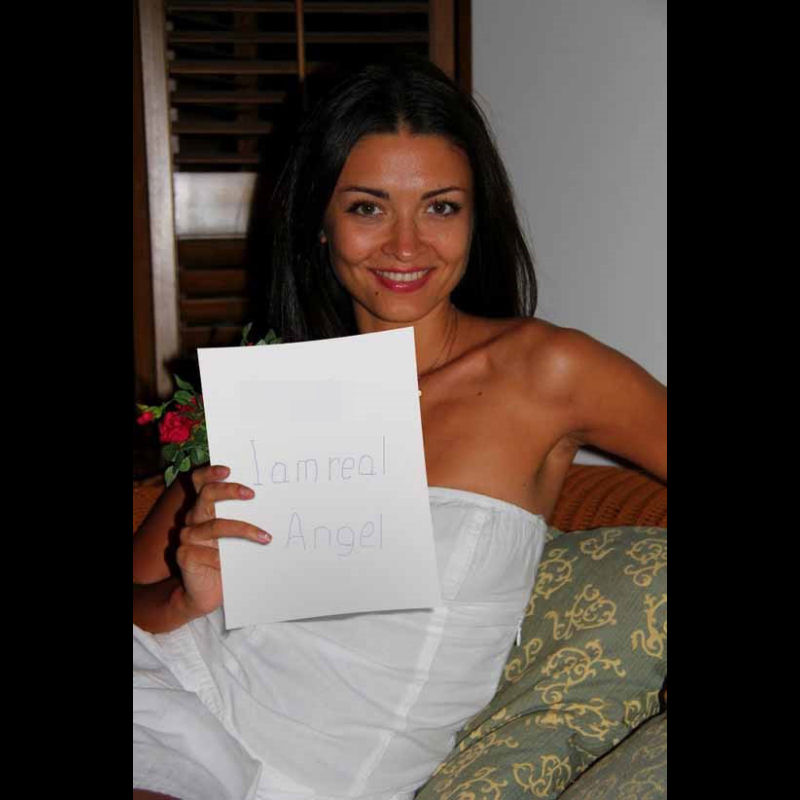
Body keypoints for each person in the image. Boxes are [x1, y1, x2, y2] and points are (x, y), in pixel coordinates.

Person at [133, 57, 666, 800]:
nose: (407, 246)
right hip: (169, 704)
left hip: (314, 779)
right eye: (368, 208)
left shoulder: (546, 373)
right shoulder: (281, 395)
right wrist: (186, 598)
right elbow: (142, 598)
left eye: (440, 207)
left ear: (476, 219)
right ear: (320, 224)